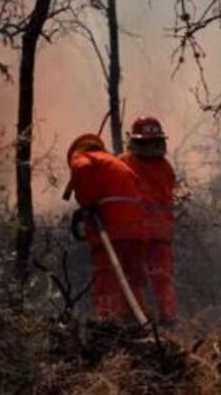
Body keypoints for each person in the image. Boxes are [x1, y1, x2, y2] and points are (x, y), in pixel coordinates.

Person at [64, 133, 147, 322]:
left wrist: (87, 201)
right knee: (133, 280)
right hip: (137, 231)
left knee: (106, 278)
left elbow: (82, 169)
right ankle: (137, 323)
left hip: (113, 229)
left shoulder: (83, 158)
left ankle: (108, 323)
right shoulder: (114, 163)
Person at [120, 117, 178, 325]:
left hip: (153, 235)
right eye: (147, 142)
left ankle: (165, 319)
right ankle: (142, 320)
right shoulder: (126, 164)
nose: (152, 146)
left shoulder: (163, 167)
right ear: (137, 142)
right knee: (137, 277)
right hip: (137, 234)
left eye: (155, 141)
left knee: (162, 278)